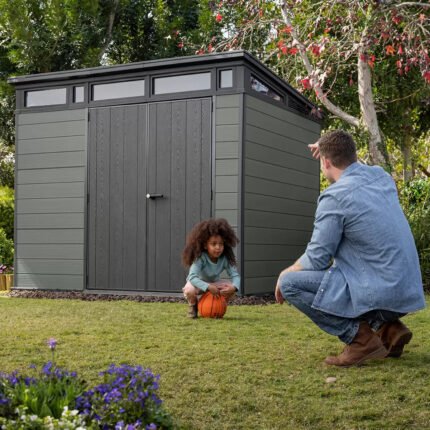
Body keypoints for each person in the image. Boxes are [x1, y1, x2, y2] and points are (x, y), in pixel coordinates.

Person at [275, 130, 426, 367]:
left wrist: (285, 272)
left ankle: (360, 339)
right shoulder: (381, 177)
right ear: (353, 154)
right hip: (406, 291)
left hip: (381, 294)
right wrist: (329, 146)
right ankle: (388, 328)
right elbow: (352, 163)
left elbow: (317, 258)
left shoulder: (334, 197)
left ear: (325, 162)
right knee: (353, 266)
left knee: (289, 284)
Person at [182, 218, 240, 318]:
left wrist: (234, 288)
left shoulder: (224, 258)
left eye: (221, 244)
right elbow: (192, 277)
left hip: (214, 284)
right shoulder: (200, 258)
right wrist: (208, 287)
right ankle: (194, 305)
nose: (218, 247)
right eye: (213, 244)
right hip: (197, 284)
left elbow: (235, 275)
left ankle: (219, 305)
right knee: (189, 291)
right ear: (205, 245)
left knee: (230, 288)